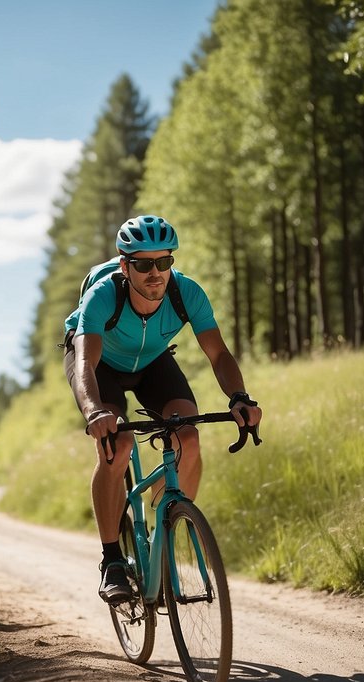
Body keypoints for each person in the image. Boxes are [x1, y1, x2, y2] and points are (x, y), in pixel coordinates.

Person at [63, 215, 262, 604]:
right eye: (142, 264)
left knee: (187, 435)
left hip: (152, 362)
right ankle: (113, 561)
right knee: (117, 446)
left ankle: (164, 527)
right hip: (100, 366)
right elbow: (85, 363)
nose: (155, 273)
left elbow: (218, 353)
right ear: (125, 266)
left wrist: (240, 398)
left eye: (163, 262)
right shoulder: (104, 296)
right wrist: (94, 414)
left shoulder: (186, 292)